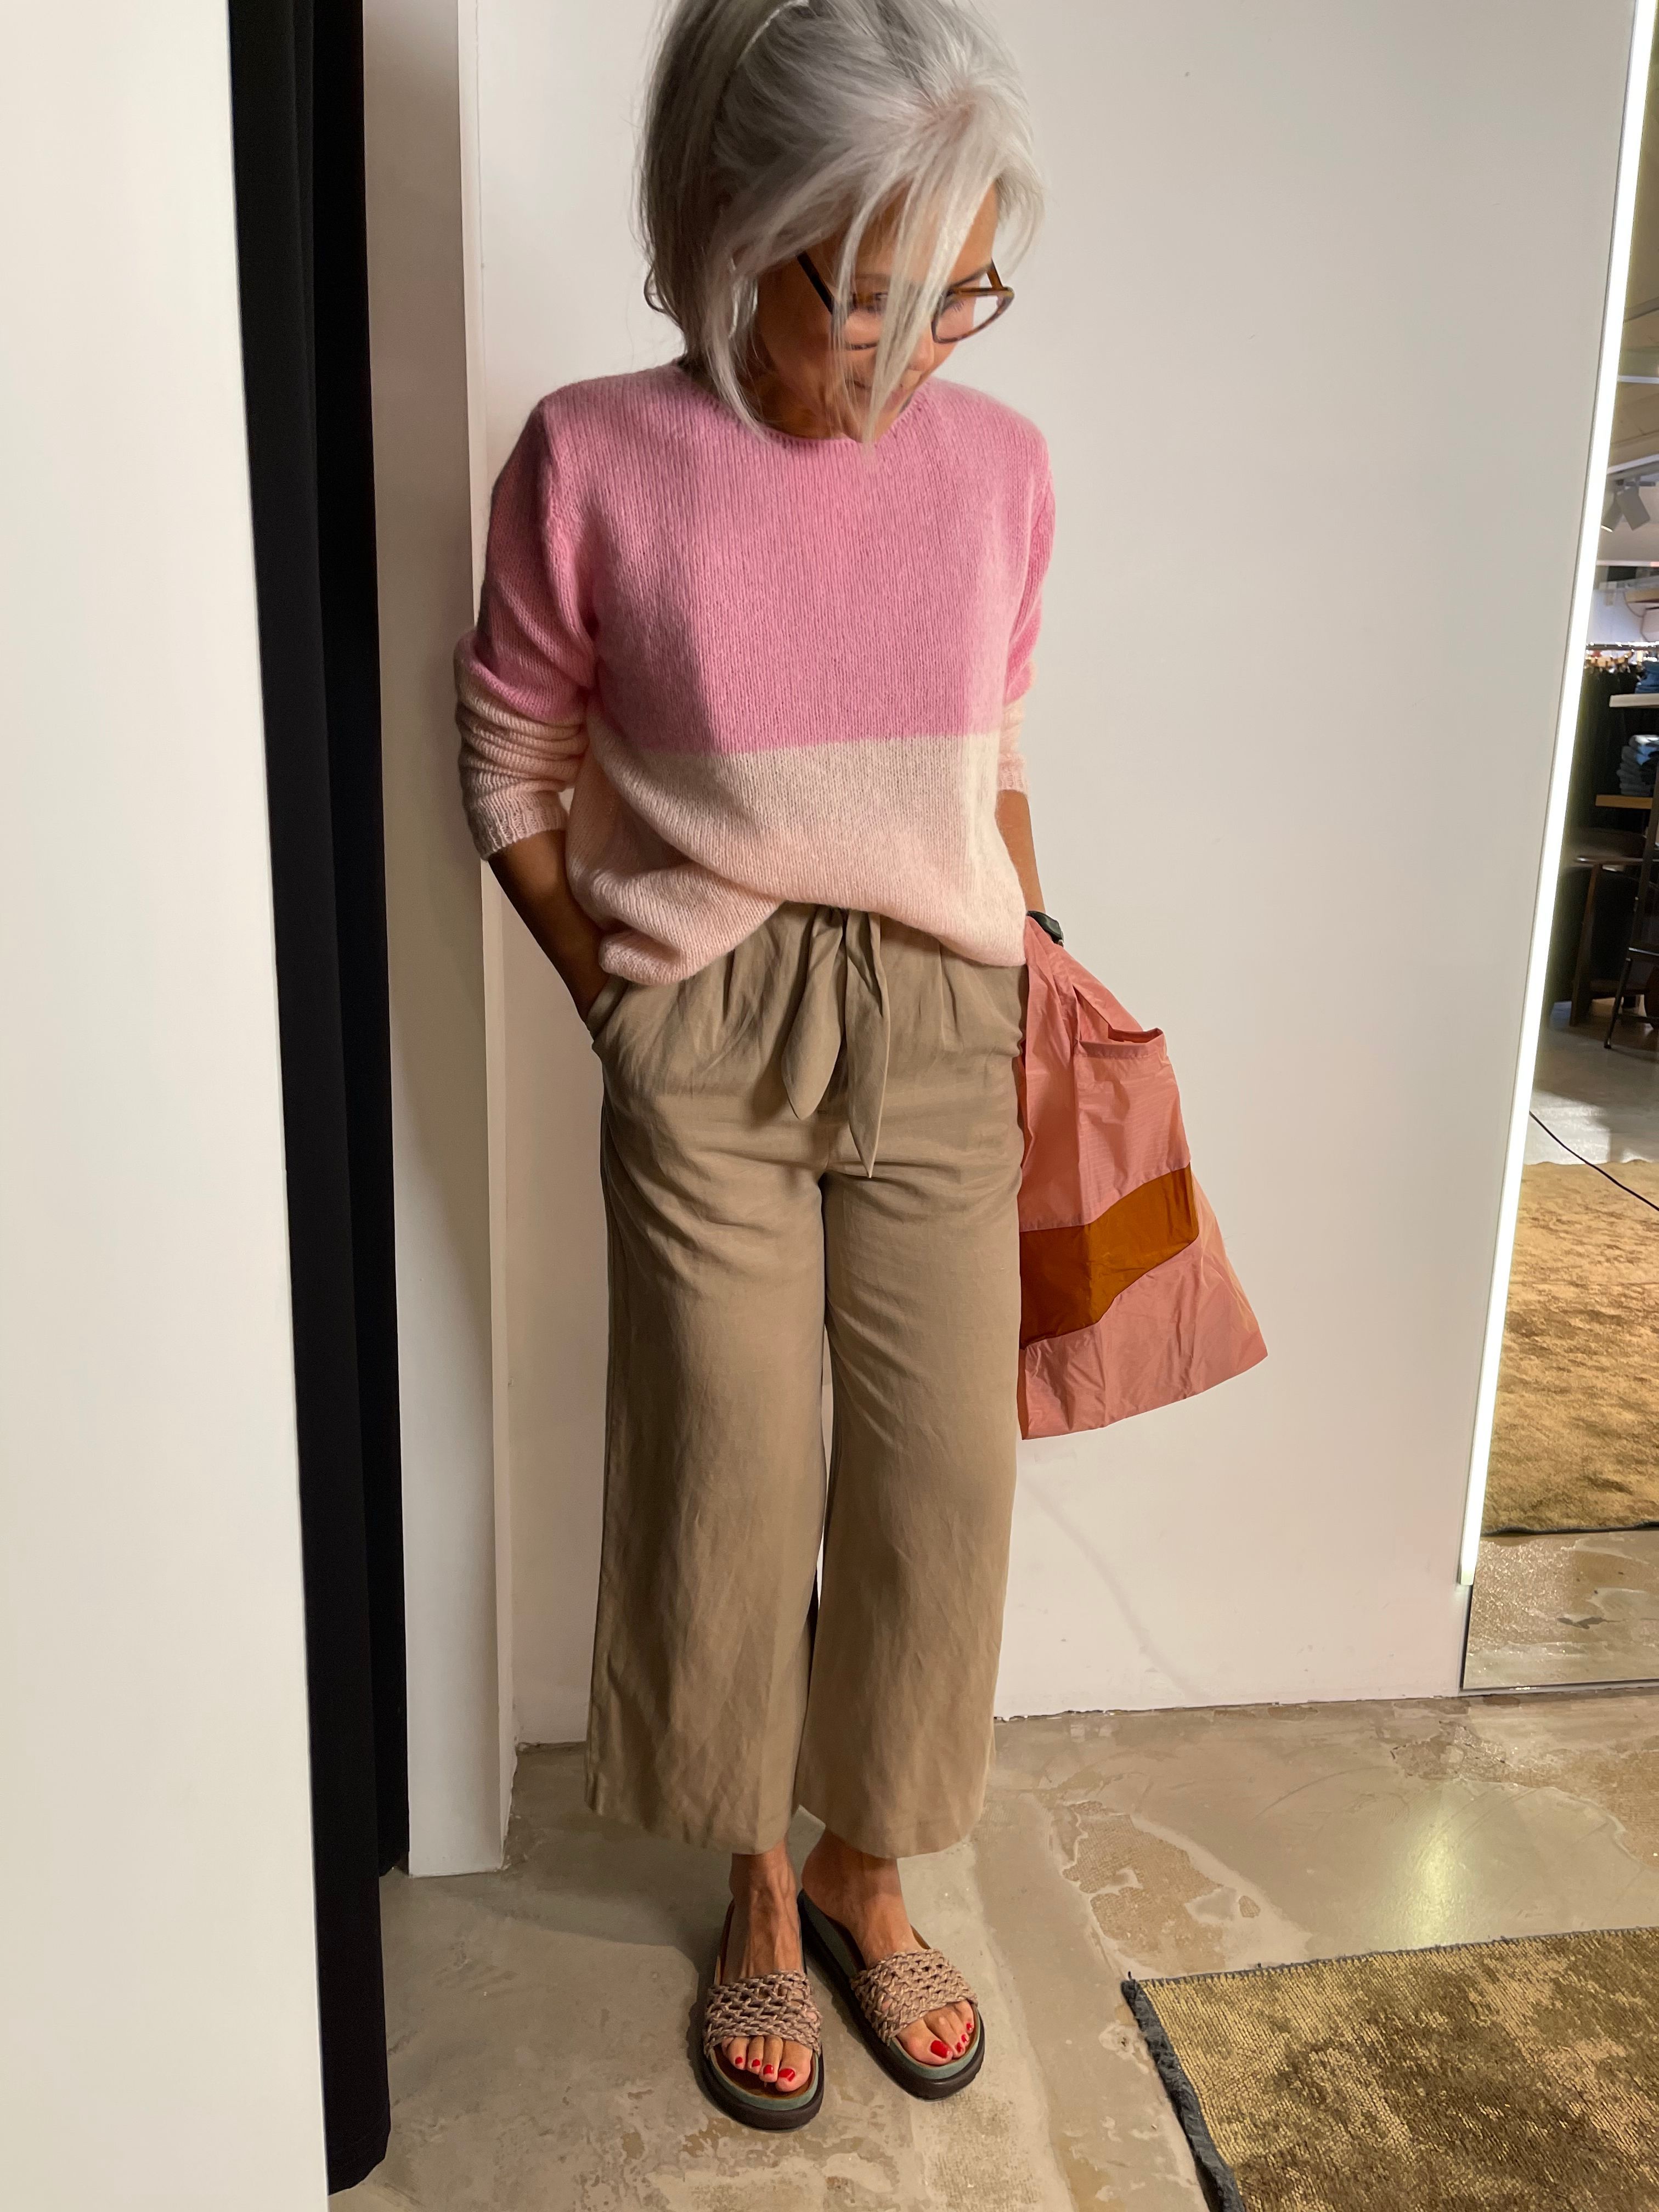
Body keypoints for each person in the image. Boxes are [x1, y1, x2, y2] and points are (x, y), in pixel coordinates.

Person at [454, 0, 1056, 2130]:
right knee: (725, 1461)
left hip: (943, 1010)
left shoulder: (1003, 470)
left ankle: (873, 1864)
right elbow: (511, 754)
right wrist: (616, 1003)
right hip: (703, 1020)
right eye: (876, 296)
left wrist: (1029, 964)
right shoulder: (593, 459)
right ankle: (758, 1886)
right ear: (733, 227)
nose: (925, 354)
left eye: (967, 291)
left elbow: (991, 757)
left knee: (940, 1475)